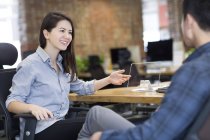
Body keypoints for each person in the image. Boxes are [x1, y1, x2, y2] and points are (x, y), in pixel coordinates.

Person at [78, 0, 210, 139]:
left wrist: (101, 137)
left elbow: (154, 136)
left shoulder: (194, 71)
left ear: (189, 22)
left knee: (95, 117)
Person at [5, 12, 131, 140]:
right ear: (46, 34)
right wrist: (31, 108)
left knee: (99, 128)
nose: (67, 36)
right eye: (62, 31)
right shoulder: (30, 65)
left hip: (60, 125)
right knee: (96, 115)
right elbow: (11, 103)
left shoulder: (62, 65)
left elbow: (82, 88)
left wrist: (109, 79)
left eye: (70, 32)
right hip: (40, 131)